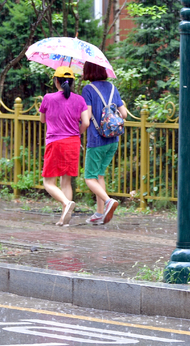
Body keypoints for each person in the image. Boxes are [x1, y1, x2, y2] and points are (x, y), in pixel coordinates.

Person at [39, 66, 90, 226]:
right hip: (73, 143)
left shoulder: (48, 98)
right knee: (66, 182)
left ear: (56, 81)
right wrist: (77, 133)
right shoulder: (80, 100)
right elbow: (86, 122)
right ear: (72, 82)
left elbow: (42, 120)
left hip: (55, 142)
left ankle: (66, 203)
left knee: (48, 183)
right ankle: (64, 219)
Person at [81, 61, 128, 225]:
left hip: (97, 139)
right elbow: (124, 113)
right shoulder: (112, 88)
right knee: (99, 174)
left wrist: (79, 130)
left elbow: (86, 119)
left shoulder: (88, 89)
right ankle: (99, 213)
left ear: (88, 71)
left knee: (89, 178)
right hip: (113, 139)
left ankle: (108, 201)